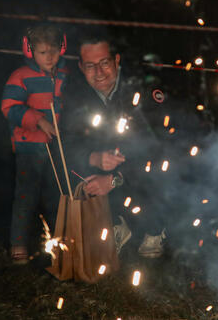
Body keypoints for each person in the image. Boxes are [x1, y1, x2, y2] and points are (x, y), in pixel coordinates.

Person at [62, 33, 167, 258]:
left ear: (116, 61)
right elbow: (66, 143)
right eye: (90, 65)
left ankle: (154, 227)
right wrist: (92, 158)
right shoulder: (76, 97)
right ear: (81, 67)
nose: (99, 73)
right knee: (66, 166)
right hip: (103, 168)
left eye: (104, 63)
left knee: (159, 168)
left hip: (143, 168)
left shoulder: (141, 91)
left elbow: (156, 148)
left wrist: (115, 178)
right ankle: (114, 222)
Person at [1, 24, 70, 264]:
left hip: (55, 148)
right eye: (42, 52)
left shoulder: (65, 75)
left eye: (53, 51)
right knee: (26, 196)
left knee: (55, 196)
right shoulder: (20, 77)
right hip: (28, 147)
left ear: (62, 48)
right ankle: (18, 243)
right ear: (30, 52)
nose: (49, 57)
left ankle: (59, 242)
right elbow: (9, 108)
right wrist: (38, 120)